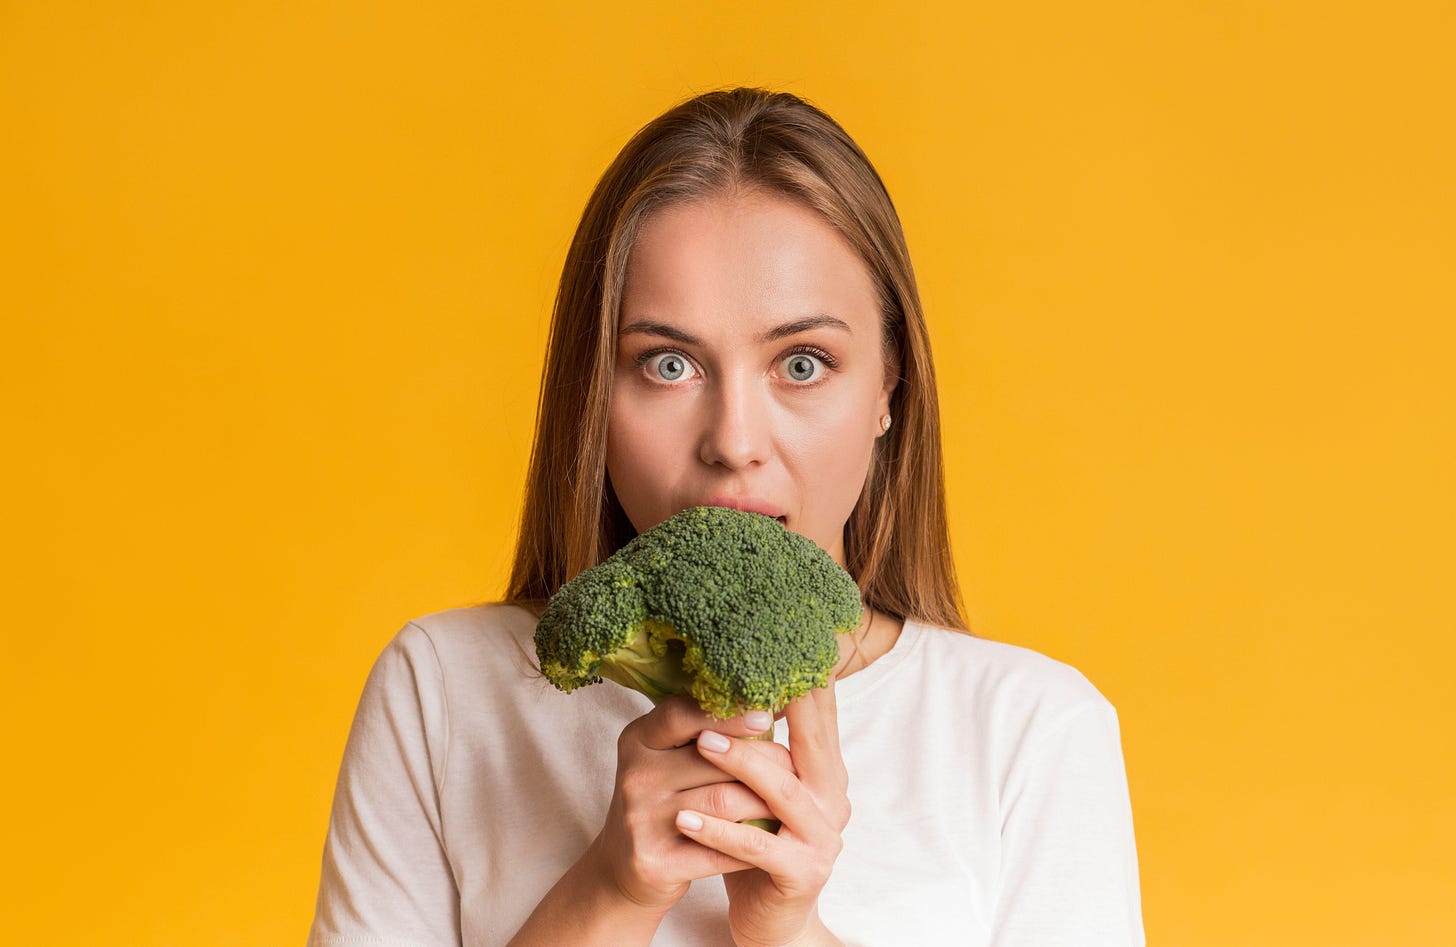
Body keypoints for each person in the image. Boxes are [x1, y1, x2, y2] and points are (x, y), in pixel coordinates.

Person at [307, 87, 1145, 946]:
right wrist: (611, 891)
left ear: (889, 388)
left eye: (804, 363)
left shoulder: (1031, 730)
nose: (733, 442)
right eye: (669, 364)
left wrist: (789, 927)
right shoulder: (444, 690)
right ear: (594, 390)